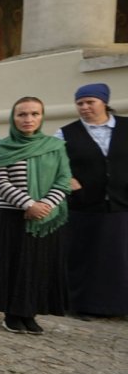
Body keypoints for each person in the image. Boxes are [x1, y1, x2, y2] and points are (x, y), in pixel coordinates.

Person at [0, 97, 71, 334]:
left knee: (38, 267)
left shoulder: (55, 146)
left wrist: (45, 204)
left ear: (42, 117)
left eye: (34, 114)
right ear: (14, 117)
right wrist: (28, 204)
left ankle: (29, 313)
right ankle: (12, 314)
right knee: (13, 265)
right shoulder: (2, 147)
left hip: (46, 217)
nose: (28, 119)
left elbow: (64, 180)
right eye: (22, 114)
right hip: (12, 216)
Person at [55, 83, 128, 319]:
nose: (85, 107)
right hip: (84, 206)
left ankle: (121, 306)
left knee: (120, 258)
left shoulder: (126, 127)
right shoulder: (65, 133)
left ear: (104, 102)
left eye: (90, 102)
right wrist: (68, 180)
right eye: (80, 103)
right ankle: (84, 305)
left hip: (121, 204)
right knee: (85, 258)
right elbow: (54, 163)